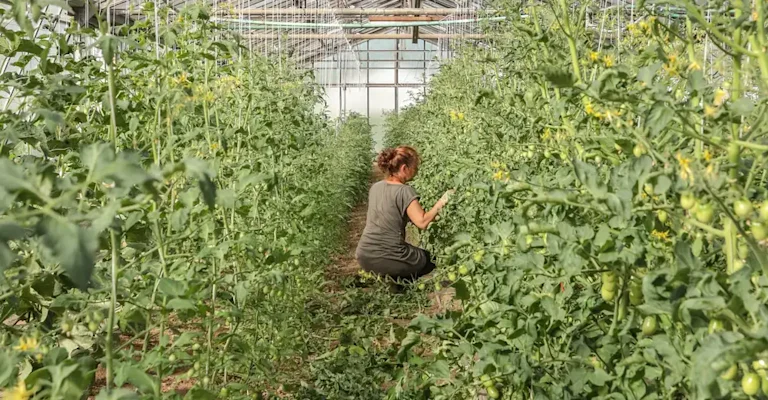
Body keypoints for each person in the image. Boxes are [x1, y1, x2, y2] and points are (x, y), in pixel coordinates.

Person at [355, 145, 454, 284]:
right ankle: (398, 281)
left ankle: (384, 279)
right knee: (430, 260)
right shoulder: (404, 191)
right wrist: (442, 201)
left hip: (364, 256)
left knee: (400, 258)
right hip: (389, 257)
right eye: (415, 167)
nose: (416, 171)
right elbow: (422, 222)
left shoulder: (375, 188)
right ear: (404, 168)